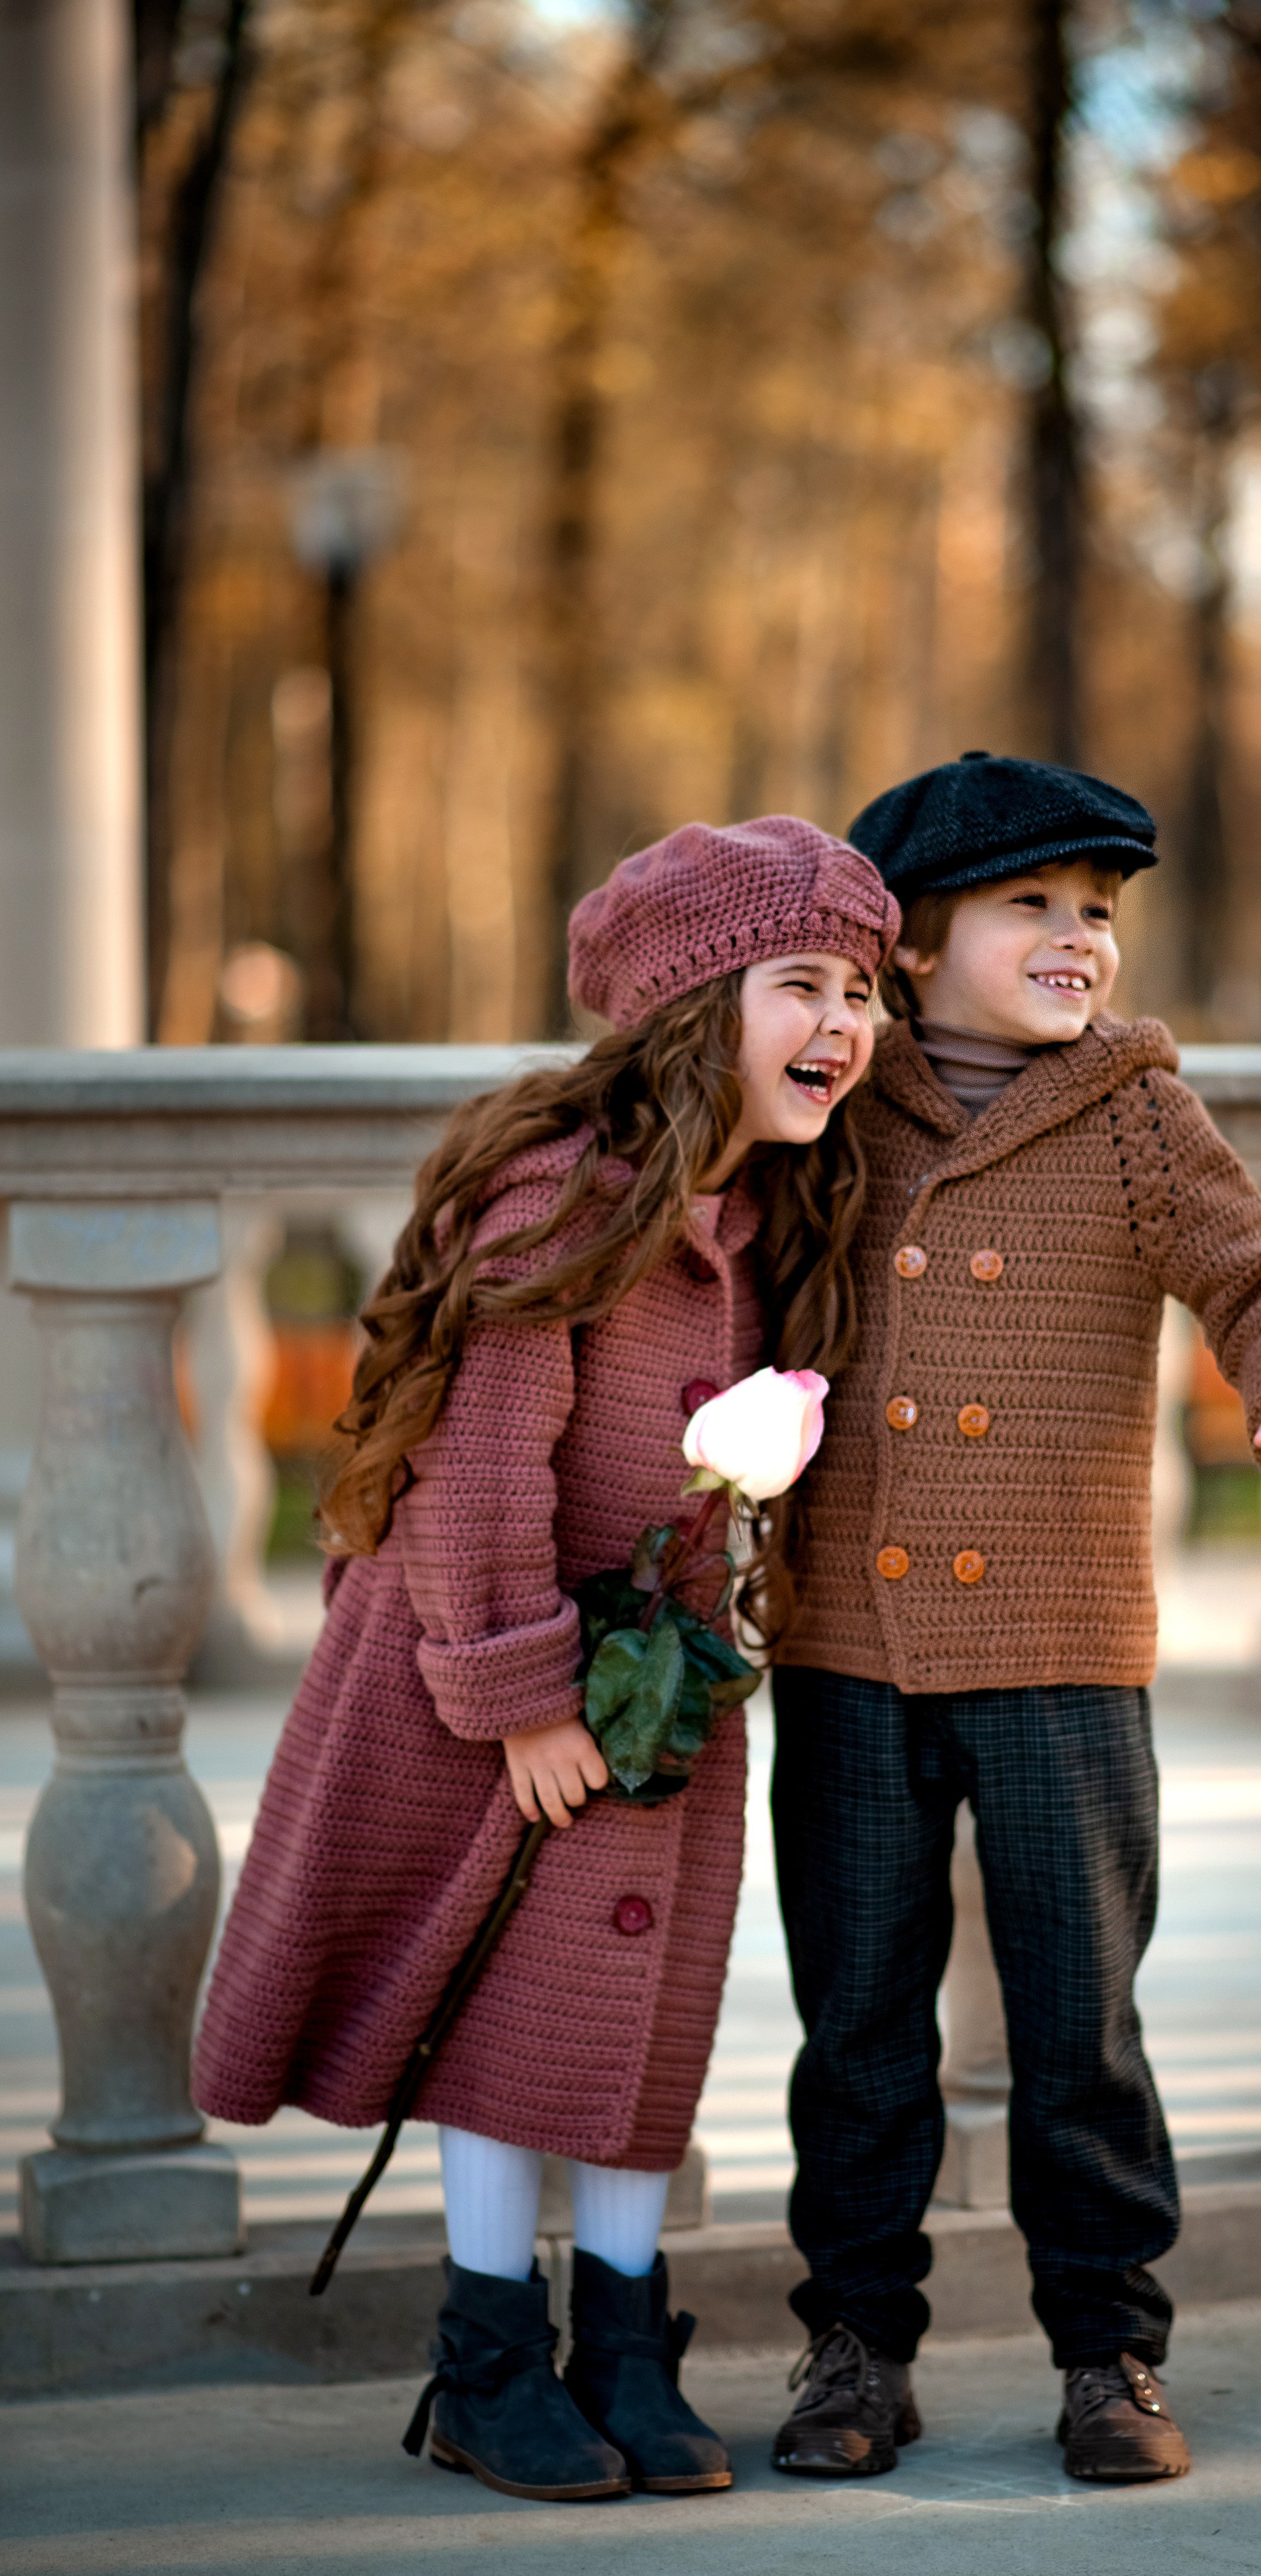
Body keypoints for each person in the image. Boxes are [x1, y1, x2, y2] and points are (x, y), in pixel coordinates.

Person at [193, 815, 898, 2505]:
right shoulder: (568, 1191)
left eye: (864, 989)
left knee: (639, 2018)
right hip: (492, 1674)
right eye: (802, 982)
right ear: (690, 1003)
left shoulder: (767, 1208)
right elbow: (478, 1454)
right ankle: (486, 2357)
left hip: (660, 1685)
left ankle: (627, 2346)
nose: (846, 1023)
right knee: (504, 2019)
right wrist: (513, 1697)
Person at [764, 752, 1261, 2487]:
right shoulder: (837, 1101)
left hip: (1061, 1643)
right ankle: (855, 2337)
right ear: (910, 942)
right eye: (1031, 905)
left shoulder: (1133, 1110)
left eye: (1098, 911)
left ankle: (1110, 2342)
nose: (1076, 939)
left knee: (1079, 2015)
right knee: (861, 2018)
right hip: (847, 1643)